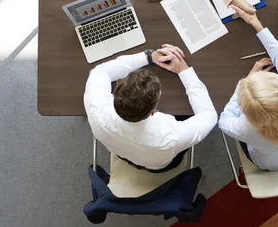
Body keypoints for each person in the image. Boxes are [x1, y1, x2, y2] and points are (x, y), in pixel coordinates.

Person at [83, 44, 218, 173]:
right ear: (153, 111)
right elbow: (209, 115)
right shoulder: (171, 136)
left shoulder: (96, 106)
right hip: (158, 166)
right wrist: (184, 70)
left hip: (121, 152)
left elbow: (100, 71)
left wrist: (149, 56)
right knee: (185, 114)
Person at [218, 6, 278, 171]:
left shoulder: (244, 127)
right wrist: (257, 25)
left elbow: (223, 120)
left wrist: (246, 81)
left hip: (267, 163)